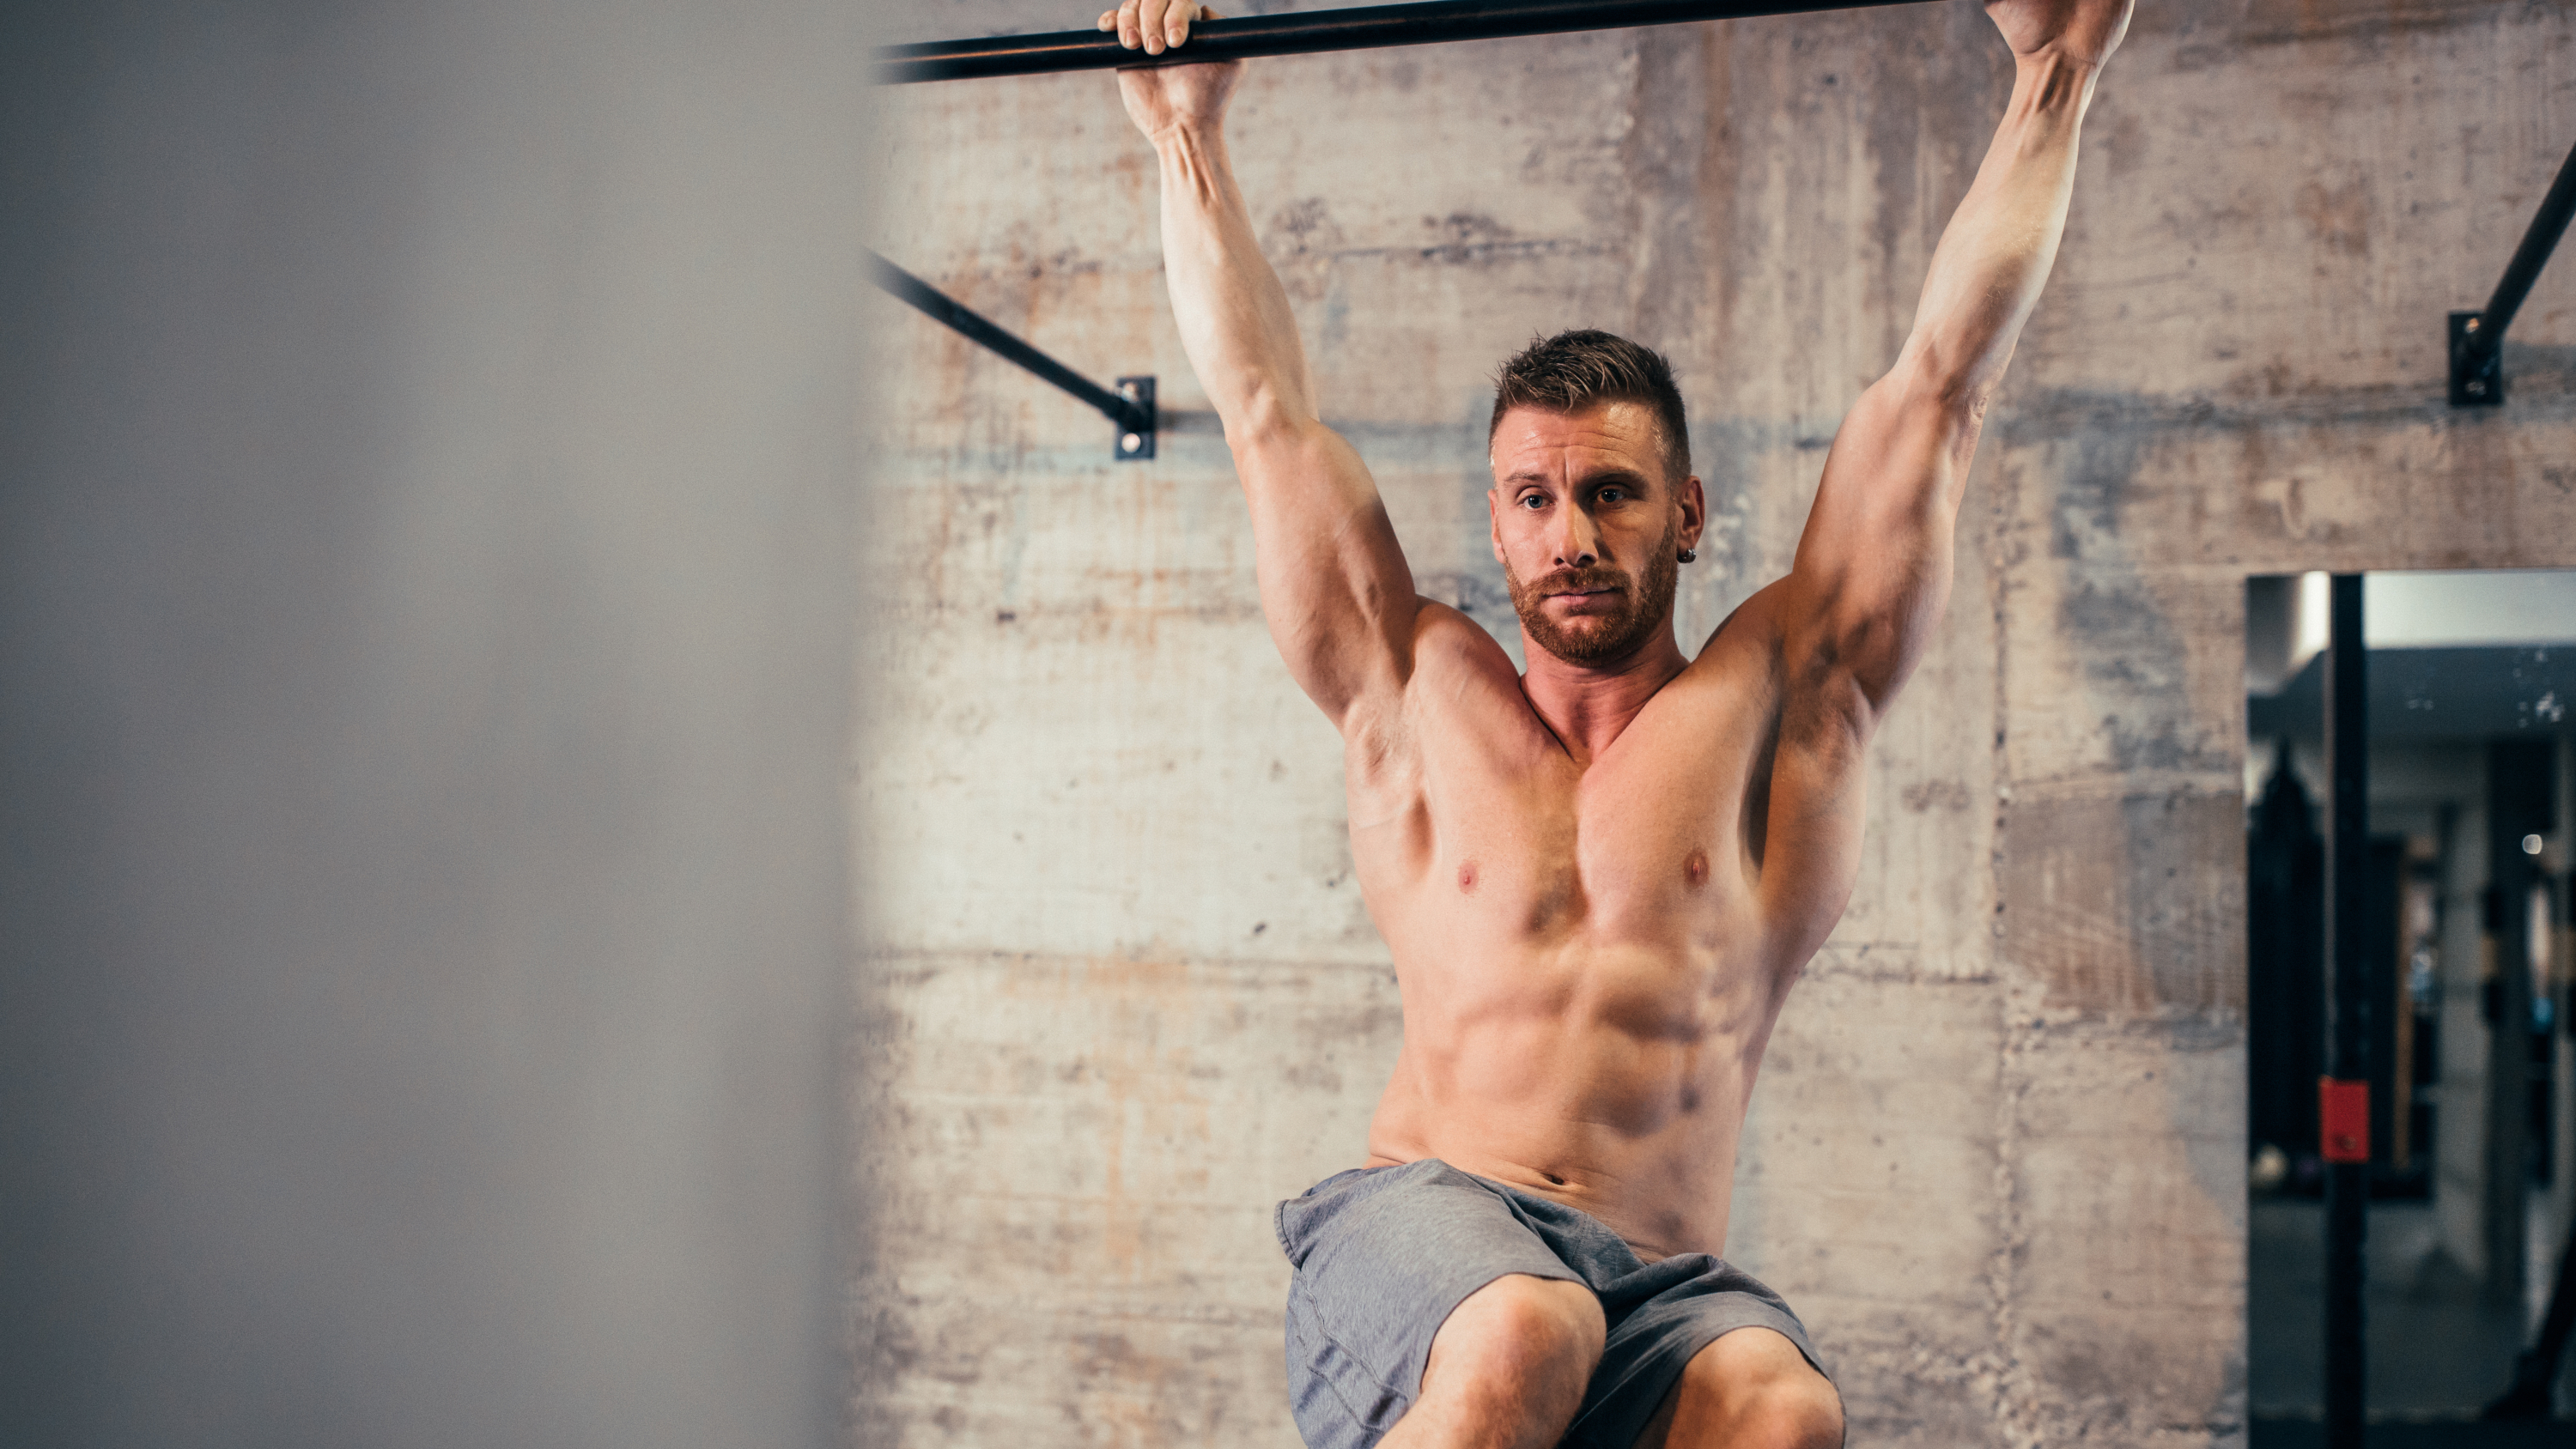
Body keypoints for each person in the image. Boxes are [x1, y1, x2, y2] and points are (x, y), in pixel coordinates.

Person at [1097, 1, 2132, 1445]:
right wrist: (1186, 137)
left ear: (1687, 513)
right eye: (1534, 498)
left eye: (1611, 493)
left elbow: (1940, 389)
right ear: (1500, 526)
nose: (1570, 532)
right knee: (1528, 1320)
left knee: (1783, 1411)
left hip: (1657, 1282)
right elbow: (1266, 412)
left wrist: (2057, 74)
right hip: (1432, 1239)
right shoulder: (1416, 686)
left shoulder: (1780, 699)